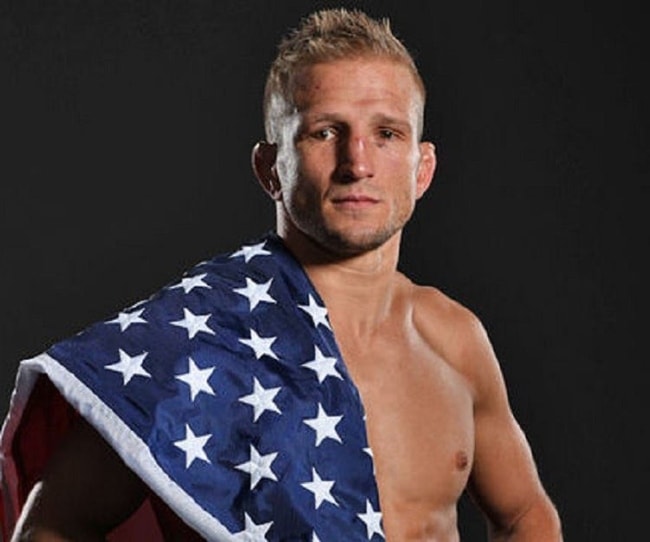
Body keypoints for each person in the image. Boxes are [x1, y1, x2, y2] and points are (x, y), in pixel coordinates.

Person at [1, 7, 563, 541]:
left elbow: (525, 514)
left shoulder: (453, 338)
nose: (357, 163)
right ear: (270, 168)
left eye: (387, 134)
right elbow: (50, 527)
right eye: (324, 132)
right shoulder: (198, 340)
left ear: (423, 169)